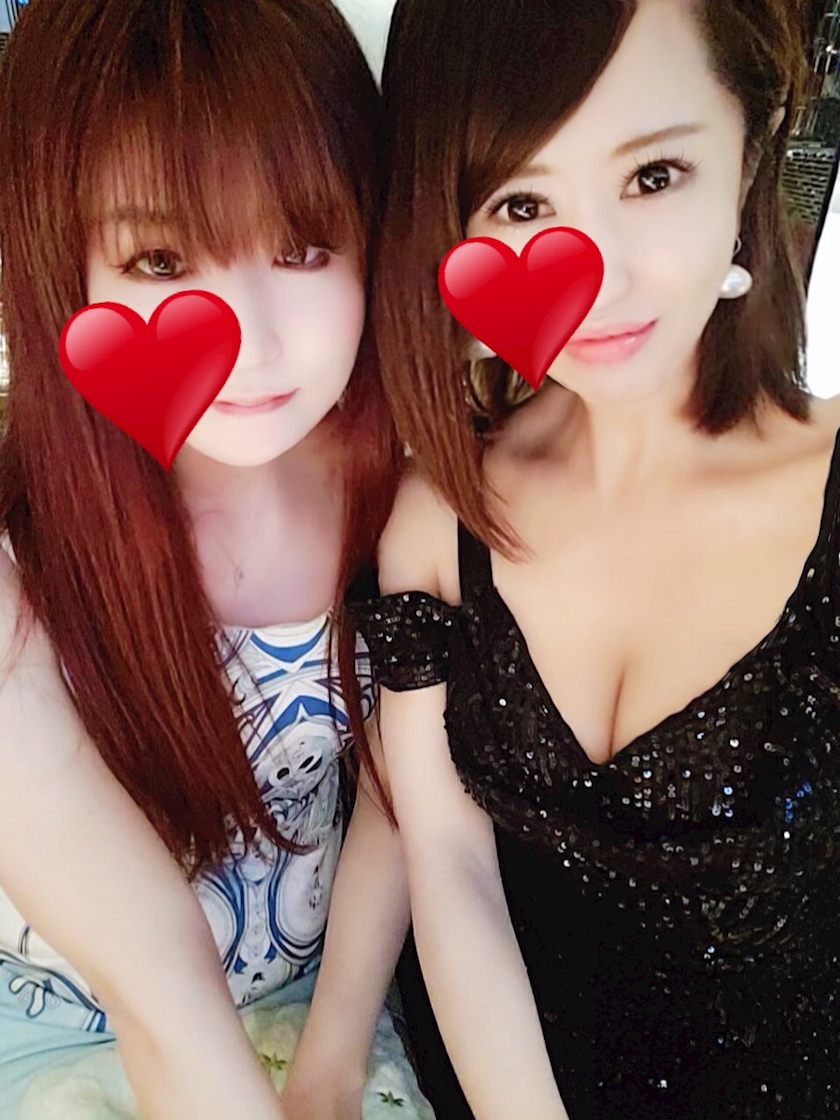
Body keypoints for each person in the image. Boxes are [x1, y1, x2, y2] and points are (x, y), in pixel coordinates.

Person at [356, 0, 840, 1116]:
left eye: (654, 176)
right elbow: (450, 863)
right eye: (522, 204)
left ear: (750, 154)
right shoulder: (442, 512)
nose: (597, 275)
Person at [0, 2, 431, 1118]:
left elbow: (406, 795)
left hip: (326, 1000)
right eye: (159, 258)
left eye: (302, 247)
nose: (251, 335)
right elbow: (155, 985)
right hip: (56, 1024)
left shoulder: (403, 489)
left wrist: (335, 1056)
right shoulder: (21, 553)